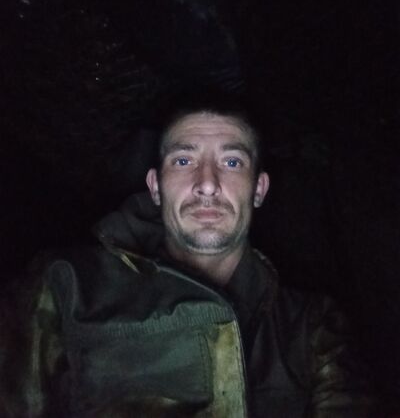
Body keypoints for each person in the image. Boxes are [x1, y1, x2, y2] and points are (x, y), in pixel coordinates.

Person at [0, 93, 376, 417]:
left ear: (259, 189)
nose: (207, 184)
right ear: (155, 187)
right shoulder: (63, 285)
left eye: (232, 162)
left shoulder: (311, 325)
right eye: (183, 161)